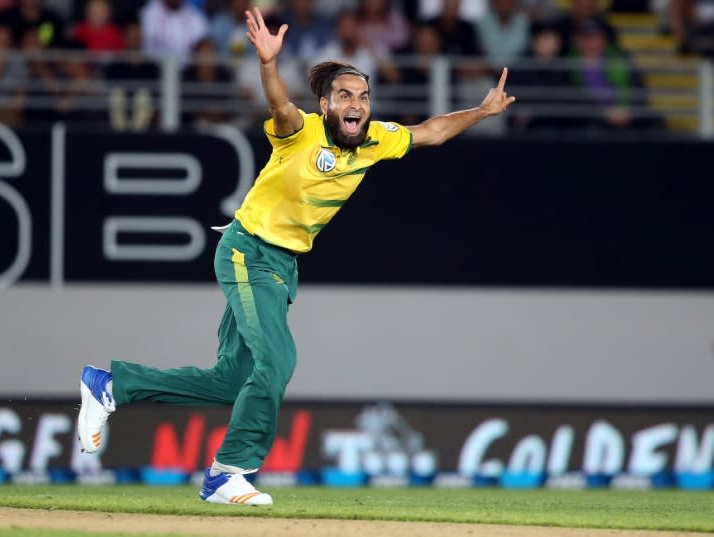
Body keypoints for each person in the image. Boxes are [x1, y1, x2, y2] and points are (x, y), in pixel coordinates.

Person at [77, 6, 514, 506]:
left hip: (282, 267)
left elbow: (432, 132)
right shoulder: (299, 130)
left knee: (232, 380)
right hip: (248, 252)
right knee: (278, 361)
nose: (357, 104)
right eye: (344, 96)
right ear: (325, 104)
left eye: (363, 97)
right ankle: (229, 471)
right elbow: (280, 104)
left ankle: (110, 385)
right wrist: (268, 64)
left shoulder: (375, 141)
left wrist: (480, 112)